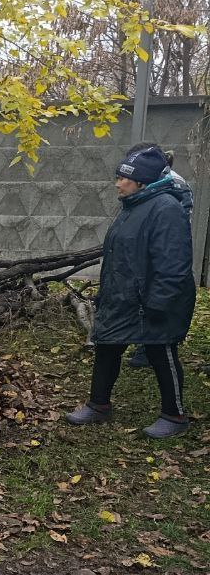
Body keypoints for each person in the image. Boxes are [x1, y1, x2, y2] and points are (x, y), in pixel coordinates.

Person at [67, 145, 196, 439]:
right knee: (107, 346)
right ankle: (98, 405)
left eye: (125, 178)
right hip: (124, 296)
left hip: (154, 300)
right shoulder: (133, 206)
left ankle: (174, 416)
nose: (118, 183)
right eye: (118, 176)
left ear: (143, 182)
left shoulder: (166, 208)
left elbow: (174, 263)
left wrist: (159, 302)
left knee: (161, 350)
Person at [125, 143, 194, 369]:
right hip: (152, 249)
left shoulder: (172, 184)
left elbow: (172, 226)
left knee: (159, 294)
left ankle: (150, 347)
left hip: (163, 250)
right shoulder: (157, 180)